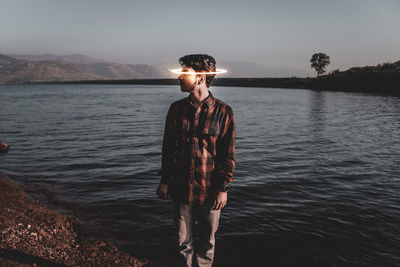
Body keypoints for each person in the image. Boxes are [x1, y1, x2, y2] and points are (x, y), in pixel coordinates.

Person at [156, 54, 236, 267]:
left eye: (185, 72)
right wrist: (164, 181)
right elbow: (168, 149)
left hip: (210, 191)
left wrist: (223, 188)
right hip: (180, 187)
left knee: (207, 242)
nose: (179, 77)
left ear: (201, 76)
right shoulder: (176, 110)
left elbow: (228, 155)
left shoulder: (224, 112)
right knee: (183, 241)